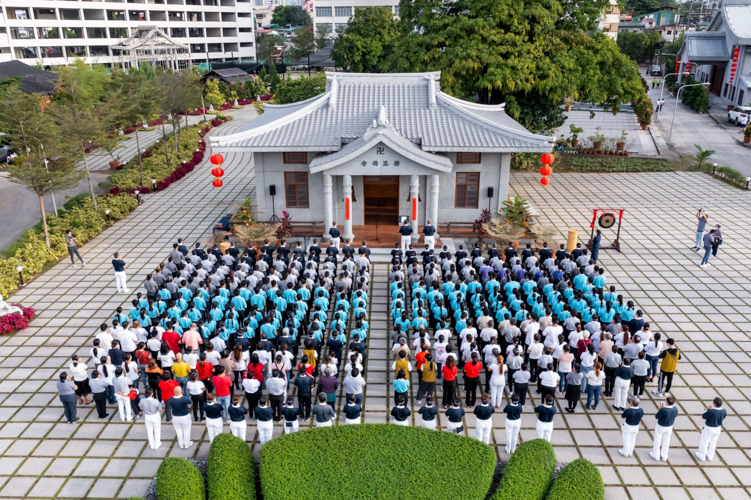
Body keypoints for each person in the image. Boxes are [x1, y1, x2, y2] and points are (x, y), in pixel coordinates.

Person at [695, 397, 727, 462]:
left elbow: (703, 417)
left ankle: (702, 456)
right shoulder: (724, 411)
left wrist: (709, 410)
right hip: (718, 428)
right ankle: (710, 456)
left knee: (704, 442)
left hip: (709, 428)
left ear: (714, 404)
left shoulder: (711, 411)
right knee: (713, 442)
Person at [650, 396, 678, 461]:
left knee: (657, 440)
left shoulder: (663, 410)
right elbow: (675, 415)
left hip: (661, 426)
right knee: (666, 441)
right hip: (669, 427)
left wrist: (660, 409)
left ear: (666, 401)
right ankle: (664, 455)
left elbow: (656, 417)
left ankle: (656, 455)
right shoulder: (675, 409)